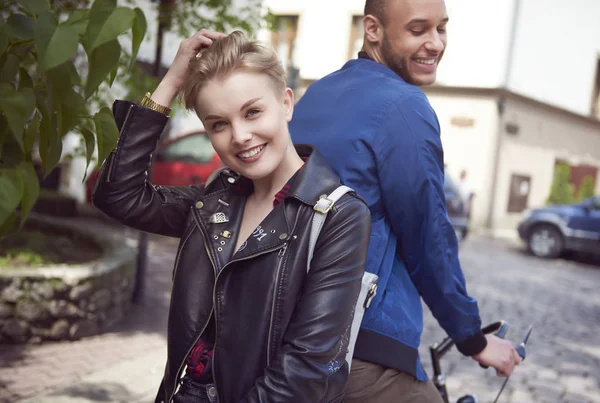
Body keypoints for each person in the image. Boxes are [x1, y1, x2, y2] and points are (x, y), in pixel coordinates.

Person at [92, 30, 371, 403]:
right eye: (218, 124)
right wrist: (174, 79)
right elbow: (119, 195)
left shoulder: (337, 216)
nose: (240, 136)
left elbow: (304, 370)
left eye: (253, 112)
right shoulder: (215, 202)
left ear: (286, 103)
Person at [289, 0, 521, 401]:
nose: (435, 44)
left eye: (442, 29)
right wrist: (473, 338)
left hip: (292, 327)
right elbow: (428, 237)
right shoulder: (404, 106)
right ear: (373, 29)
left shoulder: (315, 94)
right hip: (362, 345)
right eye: (418, 30)